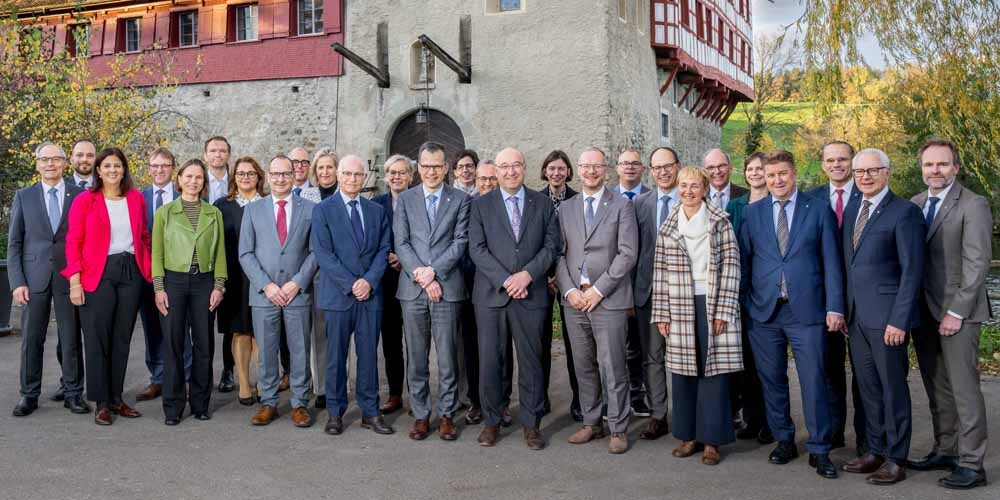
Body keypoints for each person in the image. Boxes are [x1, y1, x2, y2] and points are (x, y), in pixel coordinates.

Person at [738, 150, 843, 479]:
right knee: (772, 380)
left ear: (794, 173)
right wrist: (743, 306)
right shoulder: (752, 214)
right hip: (764, 312)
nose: (777, 181)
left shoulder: (818, 209)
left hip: (807, 311)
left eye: (782, 174)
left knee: (814, 380)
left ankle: (820, 448)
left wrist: (834, 306)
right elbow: (743, 263)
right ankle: (783, 439)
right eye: (770, 176)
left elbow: (832, 262)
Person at [908, 139, 991, 490]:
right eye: (929, 165)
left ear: (955, 167)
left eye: (942, 164)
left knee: (964, 389)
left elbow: (978, 263)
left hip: (959, 312)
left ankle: (973, 464)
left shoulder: (974, 204)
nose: (935, 171)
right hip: (924, 311)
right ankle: (946, 448)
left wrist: (957, 310)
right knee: (937, 386)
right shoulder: (916, 203)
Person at [840, 148, 925, 485]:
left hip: (888, 320)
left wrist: (899, 320)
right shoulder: (852, 210)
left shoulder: (905, 213)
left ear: (887, 172)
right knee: (868, 388)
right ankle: (874, 450)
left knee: (893, 389)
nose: (865, 176)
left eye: (873, 170)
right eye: (860, 172)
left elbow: (912, 271)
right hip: (857, 319)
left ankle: (896, 457)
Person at [468, 147, 560, 450]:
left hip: (530, 294)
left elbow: (550, 246)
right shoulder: (481, 206)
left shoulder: (543, 203)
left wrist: (527, 275)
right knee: (491, 361)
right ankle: (492, 422)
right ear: (495, 170)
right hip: (492, 296)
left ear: (524, 168)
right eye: (504, 166)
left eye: (516, 165)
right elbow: (477, 248)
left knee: (532, 362)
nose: (510, 171)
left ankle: (532, 425)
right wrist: (506, 280)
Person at [652, 166, 743, 465]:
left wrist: (725, 309)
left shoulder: (720, 222)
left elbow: (732, 267)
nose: (688, 191)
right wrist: (661, 313)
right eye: (683, 185)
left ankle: (712, 442)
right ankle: (688, 436)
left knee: (714, 373)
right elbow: (660, 272)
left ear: (705, 188)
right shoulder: (668, 226)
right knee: (683, 373)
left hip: (712, 301)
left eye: (694, 186)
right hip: (678, 303)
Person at [556, 148, 637, 454]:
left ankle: (618, 427)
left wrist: (599, 290)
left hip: (609, 298)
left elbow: (628, 252)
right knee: (583, 365)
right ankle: (592, 422)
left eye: (596, 166)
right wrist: (570, 291)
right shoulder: (567, 208)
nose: (591, 171)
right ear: (578, 169)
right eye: (585, 166)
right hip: (575, 300)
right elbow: (559, 254)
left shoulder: (621, 205)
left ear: (606, 170)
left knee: (613, 365)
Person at [63, 147, 152, 425]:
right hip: (97, 273)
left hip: (131, 272)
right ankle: (101, 402)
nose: (113, 170)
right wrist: (75, 281)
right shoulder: (85, 201)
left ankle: (116, 398)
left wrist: (150, 271)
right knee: (97, 337)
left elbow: (144, 236)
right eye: (107, 166)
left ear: (124, 169)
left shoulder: (136, 199)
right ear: (98, 171)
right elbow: (73, 241)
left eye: (118, 166)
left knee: (122, 337)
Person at [394, 142, 471, 441]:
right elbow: (401, 243)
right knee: (416, 356)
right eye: (426, 166)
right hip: (412, 290)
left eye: (437, 166)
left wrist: (435, 272)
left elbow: (461, 241)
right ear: (419, 168)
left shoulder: (461, 200)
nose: (431, 172)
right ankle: (422, 413)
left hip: (448, 289)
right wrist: (424, 277)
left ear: (446, 168)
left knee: (449, 356)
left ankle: (448, 413)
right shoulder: (407, 199)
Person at [311, 155, 394, 436]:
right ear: (338, 174)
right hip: (338, 296)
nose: (352, 179)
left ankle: (370, 411)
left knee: (369, 355)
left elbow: (384, 250)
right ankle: (335, 412)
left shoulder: (376, 210)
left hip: (369, 296)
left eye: (358, 175)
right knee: (336, 357)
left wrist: (368, 282)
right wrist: (351, 283)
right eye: (347, 174)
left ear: (365, 178)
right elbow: (324, 253)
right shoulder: (323, 210)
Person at [9, 142, 88, 416]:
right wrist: (17, 281)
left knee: (71, 339)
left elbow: (87, 240)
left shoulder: (80, 195)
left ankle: (73, 393)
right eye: (45, 159)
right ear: (37, 164)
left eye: (56, 159)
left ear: (65, 163)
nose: (50, 164)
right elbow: (15, 243)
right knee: (32, 339)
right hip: (34, 278)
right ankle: (29, 395)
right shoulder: (24, 196)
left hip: (70, 278)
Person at [239, 155, 318, 428]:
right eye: (276, 174)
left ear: (293, 175)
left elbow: (315, 251)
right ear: (268, 176)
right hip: (264, 294)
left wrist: (297, 282)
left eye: (286, 173)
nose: (281, 178)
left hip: (298, 292)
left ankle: (299, 404)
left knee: (299, 350)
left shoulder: (310, 208)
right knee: (268, 350)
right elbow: (245, 253)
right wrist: (267, 285)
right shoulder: (253, 210)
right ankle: (269, 402)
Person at [152, 159, 227, 425]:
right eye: (188, 176)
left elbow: (220, 254)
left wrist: (219, 285)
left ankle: (200, 403)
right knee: (173, 344)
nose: (193, 181)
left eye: (198, 178)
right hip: (173, 280)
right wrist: (158, 288)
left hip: (204, 282)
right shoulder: (165, 213)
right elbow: (157, 253)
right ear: (179, 178)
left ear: (204, 183)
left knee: (204, 345)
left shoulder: (213, 213)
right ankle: (172, 406)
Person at [806, 140, 866, 455]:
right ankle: (833, 432)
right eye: (830, 160)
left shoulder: (869, 193)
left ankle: (867, 438)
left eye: (842, 159)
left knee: (864, 372)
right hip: (825, 298)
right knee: (829, 369)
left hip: (863, 299)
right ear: (823, 164)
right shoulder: (812, 199)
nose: (836, 165)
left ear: (852, 162)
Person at [456, 159, 513, 425]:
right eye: (482, 180)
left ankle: (502, 402)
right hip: (471, 286)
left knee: (503, 349)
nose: (488, 184)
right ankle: (477, 402)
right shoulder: (469, 205)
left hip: (503, 287)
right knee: (473, 347)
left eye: (492, 179)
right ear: (475, 181)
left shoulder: (508, 205)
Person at [632, 146, 680, 439]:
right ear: (650, 171)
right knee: (652, 356)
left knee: (688, 355)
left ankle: (688, 414)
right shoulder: (640, 203)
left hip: (683, 292)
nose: (662, 172)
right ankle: (658, 415)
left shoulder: (691, 199)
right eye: (657, 167)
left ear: (677, 166)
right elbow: (632, 250)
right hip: (647, 291)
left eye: (667, 166)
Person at [725, 152, 773, 444]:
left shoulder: (777, 202)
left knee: (766, 363)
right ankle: (751, 419)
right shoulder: (736, 205)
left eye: (761, 168)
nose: (756, 173)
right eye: (751, 168)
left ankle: (769, 422)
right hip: (741, 292)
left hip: (766, 291)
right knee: (744, 363)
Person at [137, 148, 191, 403]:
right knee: (152, 328)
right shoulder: (138, 199)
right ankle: (158, 378)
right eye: (155, 165)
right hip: (147, 274)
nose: (160, 170)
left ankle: (187, 379)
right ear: (149, 168)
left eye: (165, 165)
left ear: (173, 169)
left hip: (178, 274)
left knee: (182, 328)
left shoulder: (184, 198)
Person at [214, 157, 265, 406]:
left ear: (259, 177)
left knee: (262, 332)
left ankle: (264, 383)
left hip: (263, 277)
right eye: (241, 173)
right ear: (234, 177)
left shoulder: (267, 204)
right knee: (240, 330)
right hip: (234, 277)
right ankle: (244, 384)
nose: (246, 177)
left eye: (251, 173)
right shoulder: (221, 206)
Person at [609, 147, 652, 417]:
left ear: (642, 169)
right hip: (611, 283)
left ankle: (637, 395)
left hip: (642, 283)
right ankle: (613, 400)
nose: (630, 167)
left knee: (639, 346)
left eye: (635, 164)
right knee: (613, 347)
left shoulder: (652, 198)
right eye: (625, 163)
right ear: (617, 167)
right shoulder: (607, 198)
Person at [540, 150, 581, 421]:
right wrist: (546, 275)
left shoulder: (577, 200)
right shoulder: (535, 200)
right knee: (540, 341)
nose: (556, 173)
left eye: (561, 168)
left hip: (570, 279)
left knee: (574, 342)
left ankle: (580, 399)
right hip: (542, 279)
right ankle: (540, 397)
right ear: (545, 172)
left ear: (568, 172)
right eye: (551, 168)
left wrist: (562, 276)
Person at [372, 155, 413, 415]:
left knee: (416, 341)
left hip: (413, 279)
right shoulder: (376, 205)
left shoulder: (417, 201)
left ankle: (417, 396)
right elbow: (372, 237)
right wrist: (388, 254)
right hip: (386, 282)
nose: (396, 177)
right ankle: (396, 393)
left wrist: (406, 259)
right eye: (392, 173)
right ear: (386, 177)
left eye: (402, 173)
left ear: (410, 176)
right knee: (391, 342)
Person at [299, 147, 339, 409]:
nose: (325, 172)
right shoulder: (306, 196)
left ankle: (340, 384)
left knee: (341, 333)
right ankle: (322, 386)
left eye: (329, 167)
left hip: (342, 274)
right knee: (318, 333)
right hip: (315, 273)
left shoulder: (345, 193)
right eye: (320, 168)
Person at [203, 136, 236, 392]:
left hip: (230, 259)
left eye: (222, 150)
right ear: (205, 155)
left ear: (228, 155)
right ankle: (202, 373)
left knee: (229, 322)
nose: (217, 154)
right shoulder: (197, 181)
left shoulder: (234, 184)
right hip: (203, 260)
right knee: (202, 322)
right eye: (213, 150)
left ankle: (228, 369)